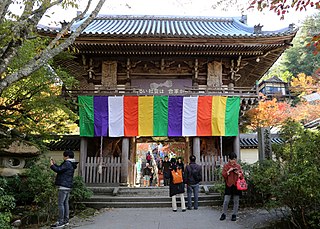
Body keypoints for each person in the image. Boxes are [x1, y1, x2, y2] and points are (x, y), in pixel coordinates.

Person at [50, 150, 78, 228]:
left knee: (60, 204)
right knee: (65, 203)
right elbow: (61, 169)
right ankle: (66, 220)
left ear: (67, 156)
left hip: (63, 186)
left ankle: (61, 221)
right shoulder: (71, 164)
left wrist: (52, 165)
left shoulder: (67, 163)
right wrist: (55, 164)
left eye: (64, 156)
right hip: (68, 186)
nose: (63, 157)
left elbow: (58, 170)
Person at [220, 152, 244, 222]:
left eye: (234, 159)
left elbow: (242, 176)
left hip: (237, 185)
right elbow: (224, 175)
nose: (233, 161)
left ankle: (234, 214)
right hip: (229, 185)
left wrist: (239, 174)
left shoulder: (238, 166)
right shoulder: (226, 166)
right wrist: (229, 171)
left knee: (236, 201)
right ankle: (223, 214)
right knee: (226, 201)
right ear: (229, 159)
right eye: (232, 159)